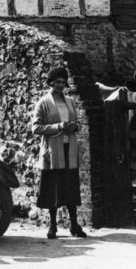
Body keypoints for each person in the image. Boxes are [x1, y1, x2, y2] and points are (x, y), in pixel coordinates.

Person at [30, 66, 87, 239]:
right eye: (57, 82)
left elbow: (78, 122)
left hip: (69, 149)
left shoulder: (69, 101)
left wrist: (75, 126)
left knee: (71, 188)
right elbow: (35, 128)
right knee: (54, 189)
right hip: (53, 151)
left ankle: (74, 225)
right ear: (51, 83)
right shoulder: (44, 102)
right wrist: (58, 126)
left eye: (63, 82)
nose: (60, 85)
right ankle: (53, 226)